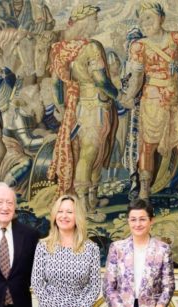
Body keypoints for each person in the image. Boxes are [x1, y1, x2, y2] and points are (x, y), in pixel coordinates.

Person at [119, 2, 178, 207]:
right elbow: (137, 79)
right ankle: (144, 192)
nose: (145, 23)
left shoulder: (176, 38)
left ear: (161, 18)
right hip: (151, 103)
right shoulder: (139, 46)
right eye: (142, 19)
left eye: (149, 17)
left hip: (175, 103)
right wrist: (127, 96)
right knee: (148, 146)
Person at [48, 4, 118, 221]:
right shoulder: (92, 47)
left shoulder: (59, 48)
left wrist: (61, 106)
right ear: (85, 21)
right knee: (90, 152)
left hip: (75, 106)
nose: (96, 23)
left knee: (91, 150)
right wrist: (119, 95)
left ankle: (93, 197)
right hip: (95, 106)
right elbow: (101, 81)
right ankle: (84, 206)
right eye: (94, 19)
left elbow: (56, 84)